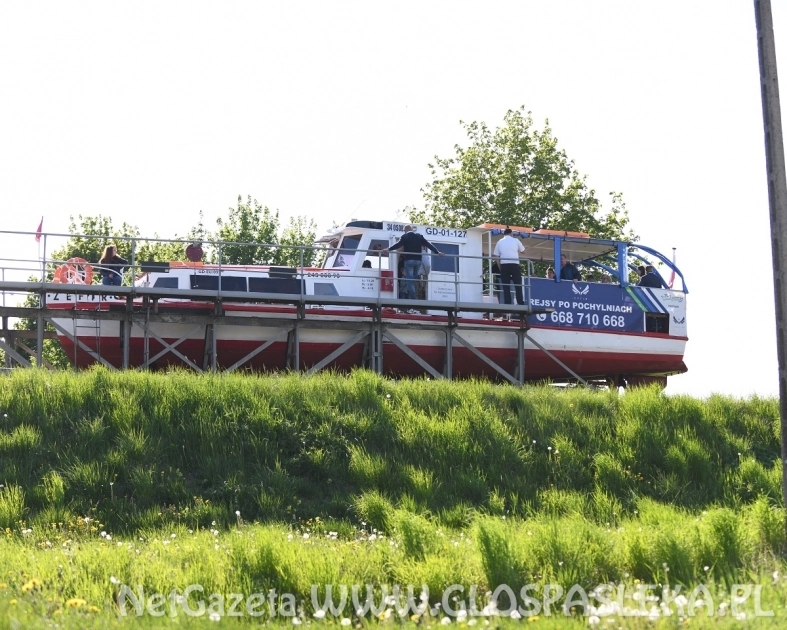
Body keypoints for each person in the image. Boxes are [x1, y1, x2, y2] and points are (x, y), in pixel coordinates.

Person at [383, 225, 444, 301]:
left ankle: (414, 298)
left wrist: (388, 249)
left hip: (409, 261)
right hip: (418, 261)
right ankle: (413, 297)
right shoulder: (419, 236)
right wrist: (437, 252)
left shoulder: (405, 236)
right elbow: (429, 245)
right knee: (413, 280)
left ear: (405, 230)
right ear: (412, 229)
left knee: (409, 281)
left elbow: (398, 245)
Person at [493, 228, 526, 312]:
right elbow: (523, 251)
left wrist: (500, 267)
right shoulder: (516, 240)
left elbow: (496, 256)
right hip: (514, 264)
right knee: (518, 285)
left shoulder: (499, 242)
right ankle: (520, 303)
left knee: (506, 286)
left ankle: (508, 303)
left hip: (504, 265)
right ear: (511, 233)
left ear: (504, 234)